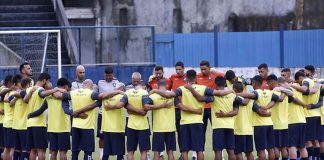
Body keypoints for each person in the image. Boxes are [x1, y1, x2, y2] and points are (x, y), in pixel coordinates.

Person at [174, 69, 228, 160]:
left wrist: (179, 104)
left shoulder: (182, 88)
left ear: (186, 77)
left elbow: (173, 95)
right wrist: (231, 91)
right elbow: (217, 94)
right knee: (199, 150)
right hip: (197, 122)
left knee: (184, 150)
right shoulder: (203, 88)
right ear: (196, 77)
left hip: (184, 123)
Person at [236, 75, 284, 160]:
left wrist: (234, 94)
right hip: (269, 124)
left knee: (261, 150)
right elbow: (279, 99)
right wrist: (285, 91)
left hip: (260, 125)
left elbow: (248, 96)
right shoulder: (269, 92)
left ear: (253, 83)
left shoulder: (256, 93)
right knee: (270, 148)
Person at [27, 78, 71, 160]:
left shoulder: (49, 96)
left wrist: (30, 115)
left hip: (51, 128)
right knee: (63, 152)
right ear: (65, 86)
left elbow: (40, 110)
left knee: (53, 152)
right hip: (63, 128)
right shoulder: (65, 97)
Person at [62, 79, 102, 160]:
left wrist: (72, 112)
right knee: (88, 152)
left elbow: (63, 98)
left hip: (75, 126)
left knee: (75, 152)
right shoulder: (91, 93)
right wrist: (94, 105)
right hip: (87, 127)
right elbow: (101, 99)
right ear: (91, 86)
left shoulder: (73, 92)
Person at [23, 73, 60, 160]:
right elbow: (42, 93)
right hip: (39, 124)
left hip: (29, 124)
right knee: (41, 150)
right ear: (44, 81)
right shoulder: (40, 89)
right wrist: (55, 89)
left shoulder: (29, 89)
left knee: (33, 150)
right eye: (48, 81)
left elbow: (25, 99)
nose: (49, 83)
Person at [112, 81, 150, 160]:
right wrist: (139, 111)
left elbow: (122, 105)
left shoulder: (128, 92)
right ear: (144, 87)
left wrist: (131, 111)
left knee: (130, 151)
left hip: (131, 125)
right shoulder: (144, 92)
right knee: (143, 151)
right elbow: (145, 109)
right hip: (143, 126)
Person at [210, 76, 246, 160]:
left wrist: (223, 115)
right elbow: (238, 109)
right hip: (230, 126)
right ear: (225, 83)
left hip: (218, 126)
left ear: (215, 84)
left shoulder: (213, 94)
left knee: (218, 151)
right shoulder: (233, 95)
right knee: (231, 151)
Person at [290, 68, 321, 160]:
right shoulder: (316, 82)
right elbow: (318, 96)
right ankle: (317, 158)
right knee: (316, 140)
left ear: (300, 77)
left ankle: (311, 158)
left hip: (308, 114)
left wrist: (291, 85)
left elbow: (306, 90)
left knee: (307, 141)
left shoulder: (306, 81)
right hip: (316, 114)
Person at [196, 60, 224, 159]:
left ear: (209, 68)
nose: (203, 71)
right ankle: (198, 153)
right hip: (202, 109)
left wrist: (214, 72)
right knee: (200, 132)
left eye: (205, 69)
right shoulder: (197, 76)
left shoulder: (215, 75)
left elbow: (224, 76)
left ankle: (220, 153)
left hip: (213, 108)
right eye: (201, 69)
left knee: (216, 132)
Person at [144, 79, 177, 160]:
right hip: (170, 127)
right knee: (170, 152)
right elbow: (180, 105)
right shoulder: (172, 95)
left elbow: (146, 107)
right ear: (166, 85)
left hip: (158, 128)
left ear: (157, 86)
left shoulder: (153, 96)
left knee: (157, 152)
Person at [264, 75, 293, 160]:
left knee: (275, 147)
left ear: (272, 82)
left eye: (268, 83)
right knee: (283, 148)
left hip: (275, 124)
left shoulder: (273, 93)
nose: (267, 85)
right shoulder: (285, 94)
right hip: (285, 124)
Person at [280, 76, 309, 160]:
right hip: (302, 120)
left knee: (291, 146)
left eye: (283, 75)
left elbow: (293, 99)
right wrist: (304, 104)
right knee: (302, 146)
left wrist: (303, 104)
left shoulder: (288, 89)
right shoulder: (298, 87)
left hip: (292, 121)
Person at [96, 66, 120, 160]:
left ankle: (119, 155)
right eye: (107, 76)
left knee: (116, 135)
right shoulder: (99, 83)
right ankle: (102, 155)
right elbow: (96, 96)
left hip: (114, 114)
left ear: (112, 75)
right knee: (102, 136)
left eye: (110, 76)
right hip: (102, 113)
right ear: (104, 75)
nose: (108, 77)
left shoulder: (117, 83)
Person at [100, 82, 126, 160]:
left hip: (106, 128)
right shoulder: (123, 96)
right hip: (118, 128)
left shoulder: (105, 97)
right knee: (120, 154)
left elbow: (101, 96)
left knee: (106, 154)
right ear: (122, 89)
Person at [232, 82, 254, 160]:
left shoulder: (235, 99)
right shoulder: (250, 99)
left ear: (234, 89)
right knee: (249, 152)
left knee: (238, 152)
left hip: (238, 130)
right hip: (249, 130)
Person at [168, 61, 186, 156]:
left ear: (183, 68)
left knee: (181, 133)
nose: (178, 71)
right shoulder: (172, 77)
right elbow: (167, 88)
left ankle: (183, 154)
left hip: (183, 109)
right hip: (173, 109)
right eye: (176, 69)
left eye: (180, 69)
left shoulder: (187, 78)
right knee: (171, 132)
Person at [10, 75, 29, 160]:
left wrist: (18, 94)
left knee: (24, 150)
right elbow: (10, 102)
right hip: (17, 126)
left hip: (24, 125)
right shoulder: (15, 94)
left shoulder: (26, 93)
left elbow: (23, 94)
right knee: (17, 150)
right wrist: (15, 97)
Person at [2, 75, 15, 160]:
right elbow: (10, 102)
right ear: (12, 83)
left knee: (7, 147)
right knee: (11, 148)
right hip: (11, 123)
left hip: (6, 122)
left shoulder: (6, 93)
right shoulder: (13, 93)